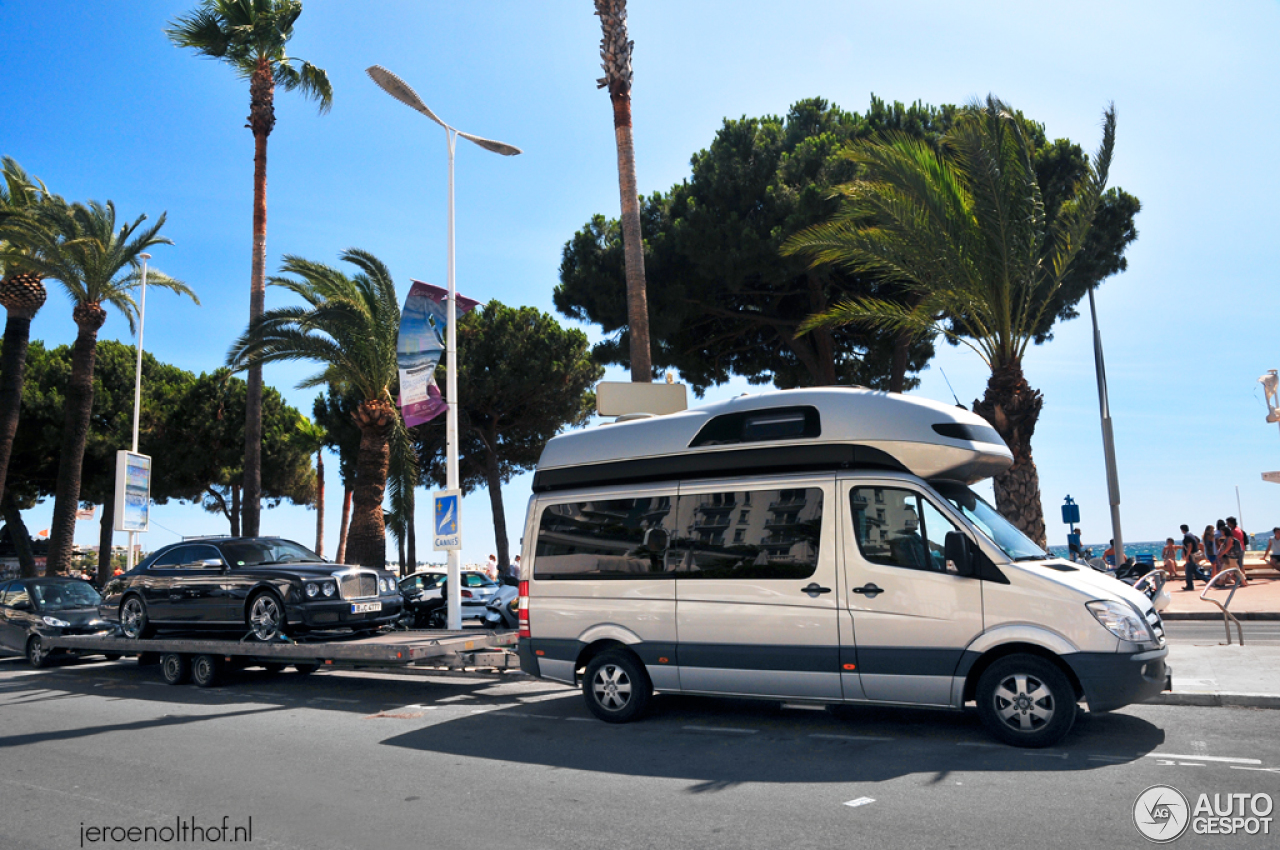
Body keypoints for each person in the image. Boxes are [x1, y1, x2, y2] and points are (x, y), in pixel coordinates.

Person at [1179, 524, 1201, 590]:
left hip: (1191, 555)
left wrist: (1187, 556)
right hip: (1193, 554)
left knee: (1188, 571)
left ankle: (1190, 586)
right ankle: (1208, 580)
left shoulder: (1187, 536)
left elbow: (1190, 546)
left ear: (1182, 530)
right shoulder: (1191, 535)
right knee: (1195, 571)